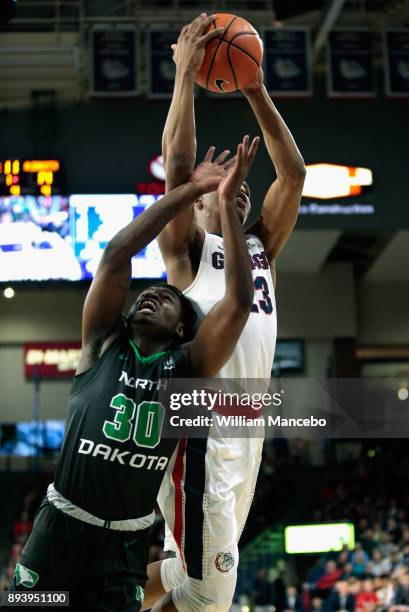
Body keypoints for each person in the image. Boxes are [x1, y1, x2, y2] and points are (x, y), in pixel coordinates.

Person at [4, 139, 258, 612]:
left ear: (182, 327)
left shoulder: (188, 368)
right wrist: (187, 192)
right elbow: (116, 257)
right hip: (60, 527)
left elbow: (239, 303)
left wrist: (226, 210)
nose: (150, 296)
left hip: (124, 546)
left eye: (165, 298)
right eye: (145, 294)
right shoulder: (102, 343)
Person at [144, 12, 306, 612]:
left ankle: (100, 591)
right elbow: (177, 163)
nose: (239, 187)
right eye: (226, 185)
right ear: (205, 198)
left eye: (245, 184)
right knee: (212, 597)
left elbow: (293, 173)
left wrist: (254, 87)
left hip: (249, 429)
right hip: (199, 429)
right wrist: (186, 77)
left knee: (190, 580)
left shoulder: (260, 248)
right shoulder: (186, 254)